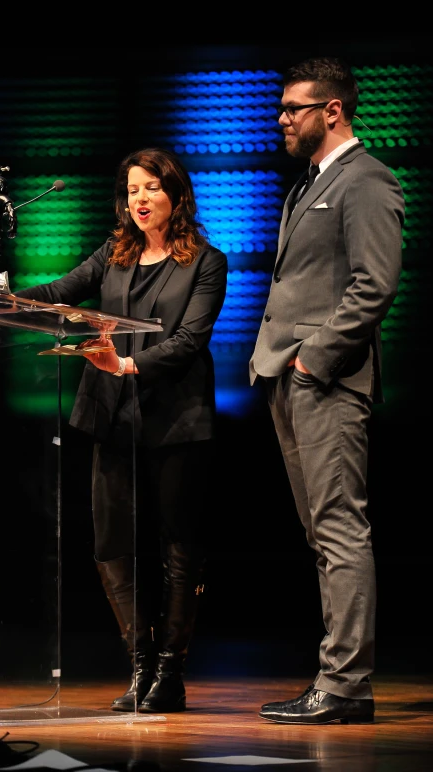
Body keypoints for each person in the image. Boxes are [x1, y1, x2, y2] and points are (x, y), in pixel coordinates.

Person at [0, 147, 227, 714]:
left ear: (176, 195)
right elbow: (56, 296)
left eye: (151, 188)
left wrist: (125, 364)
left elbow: (190, 341)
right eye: (132, 190)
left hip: (175, 417)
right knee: (110, 541)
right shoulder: (114, 254)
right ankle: (139, 667)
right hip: (110, 413)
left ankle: (170, 672)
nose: (140, 200)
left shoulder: (207, 261)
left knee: (177, 545)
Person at [249, 57, 405, 725]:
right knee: (323, 535)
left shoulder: (366, 181)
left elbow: (375, 285)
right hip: (292, 379)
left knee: (340, 531)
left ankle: (344, 686)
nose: (282, 119)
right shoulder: (308, 184)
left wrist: (314, 360)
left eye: (294, 108)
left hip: (327, 381)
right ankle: (334, 678)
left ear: (332, 111)